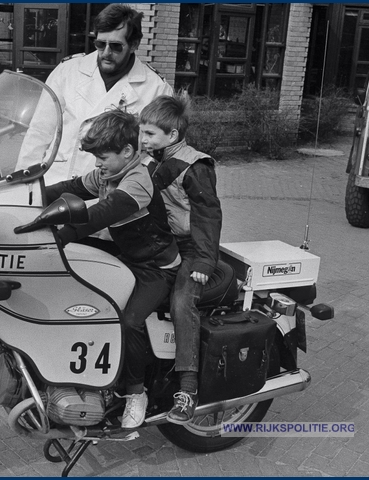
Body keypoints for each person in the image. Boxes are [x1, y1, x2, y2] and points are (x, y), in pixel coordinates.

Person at [45, 109, 180, 429]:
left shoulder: (138, 180)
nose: (97, 165)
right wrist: (26, 195)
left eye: (102, 157)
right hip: (126, 255)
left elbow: (101, 214)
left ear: (128, 152)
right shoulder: (108, 174)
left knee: (129, 321)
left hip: (156, 267)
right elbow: (73, 187)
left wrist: (60, 233)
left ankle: (136, 394)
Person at [19, 3, 174, 185]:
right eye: (100, 44)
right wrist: (23, 183)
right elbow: (39, 132)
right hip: (54, 182)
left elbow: (156, 154)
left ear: (134, 45)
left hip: (110, 194)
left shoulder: (156, 88)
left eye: (116, 46)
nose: (106, 53)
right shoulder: (67, 71)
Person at [138, 93, 222, 425]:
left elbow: (208, 216)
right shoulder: (152, 160)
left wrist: (203, 261)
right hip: (163, 243)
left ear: (172, 135)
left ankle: (188, 389)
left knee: (182, 302)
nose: (143, 139)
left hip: (191, 248)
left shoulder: (194, 166)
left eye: (149, 133)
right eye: (142, 131)